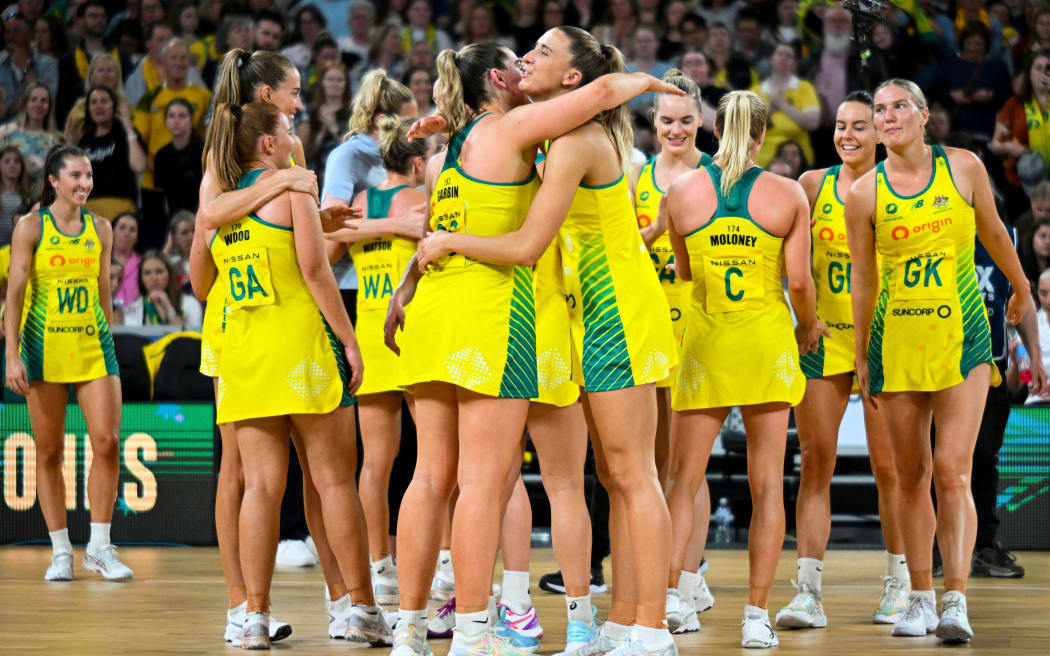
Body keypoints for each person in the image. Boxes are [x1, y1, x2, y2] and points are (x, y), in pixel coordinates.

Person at [410, 31, 682, 656]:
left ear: (570, 80)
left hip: (614, 307)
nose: (526, 59)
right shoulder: (551, 134)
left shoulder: (577, 140)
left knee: (633, 474)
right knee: (610, 478)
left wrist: (448, 243)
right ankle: (620, 620)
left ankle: (654, 626)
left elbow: (528, 245)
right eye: (523, 52)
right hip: (577, 313)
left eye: (541, 52)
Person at [189, 47, 371, 647]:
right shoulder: (282, 179)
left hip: (241, 343)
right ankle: (356, 607)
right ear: (268, 124)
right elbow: (318, 275)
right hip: (297, 341)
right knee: (333, 481)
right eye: (293, 103)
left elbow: (200, 272)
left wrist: (319, 216)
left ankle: (252, 613)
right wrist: (350, 343)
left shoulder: (224, 174)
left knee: (255, 485)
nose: (300, 112)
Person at [844, 78, 1035, 644]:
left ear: (924, 114)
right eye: (879, 110)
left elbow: (994, 232)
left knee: (953, 470)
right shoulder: (864, 195)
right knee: (911, 477)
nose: (887, 116)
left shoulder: (966, 167)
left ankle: (956, 600)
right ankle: (918, 598)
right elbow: (863, 281)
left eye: (899, 105)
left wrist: (1021, 288)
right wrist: (859, 355)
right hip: (896, 340)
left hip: (964, 337)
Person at [661, 90, 824, 649]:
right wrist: (810, 326)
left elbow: (684, 274)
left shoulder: (680, 192)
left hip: (706, 345)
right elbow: (799, 283)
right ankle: (756, 616)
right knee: (766, 487)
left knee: (682, 480)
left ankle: (673, 603)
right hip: (766, 344)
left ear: (711, 129)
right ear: (761, 133)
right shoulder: (787, 192)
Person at [774, 91, 909, 631]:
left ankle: (902, 582)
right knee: (816, 461)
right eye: (840, 125)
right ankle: (807, 591)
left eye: (860, 125)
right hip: (823, 339)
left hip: (881, 340)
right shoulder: (812, 185)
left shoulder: (896, 188)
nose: (848, 134)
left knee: (891, 469)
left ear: (880, 134)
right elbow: (791, 268)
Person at [4, 144, 132, 582]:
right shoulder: (29, 228)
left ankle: (99, 546)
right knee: (49, 451)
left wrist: (108, 338)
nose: (85, 183)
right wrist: (12, 354)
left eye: (89, 175)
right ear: (54, 181)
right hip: (43, 350)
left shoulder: (101, 227)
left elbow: (102, 291)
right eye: (76, 176)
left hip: (94, 347)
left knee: (108, 441)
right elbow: (15, 296)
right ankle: (60, 550)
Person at [324, 115, 426, 609]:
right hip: (413, 334)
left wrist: (371, 230)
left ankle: (379, 565)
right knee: (433, 463)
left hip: (367, 333)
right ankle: (440, 563)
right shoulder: (423, 202)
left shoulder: (358, 205)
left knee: (376, 464)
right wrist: (397, 228)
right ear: (419, 162)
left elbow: (320, 253)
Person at [630, 68, 715, 636]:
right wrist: (658, 231)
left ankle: (684, 581)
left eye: (686, 120)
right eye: (666, 121)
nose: (676, 129)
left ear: (701, 121)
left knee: (689, 462)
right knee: (653, 461)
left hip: (700, 320)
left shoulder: (716, 174)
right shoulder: (633, 174)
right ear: (653, 123)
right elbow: (627, 251)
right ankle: (663, 574)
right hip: (645, 319)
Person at [990, 51, 1050, 217]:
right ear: (1029, 73)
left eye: (1048, 68)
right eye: (1038, 68)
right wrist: (1008, 146)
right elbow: (995, 144)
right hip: (1022, 182)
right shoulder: (1014, 104)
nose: (1043, 73)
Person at [78, 85, 146, 220]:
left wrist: (128, 127)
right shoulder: (84, 141)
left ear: (114, 106)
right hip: (89, 208)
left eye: (104, 101)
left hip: (122, 208)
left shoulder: (125, 134)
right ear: (88, 109)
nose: (98, 106)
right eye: (94, 102)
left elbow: (139, 166)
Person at [751, 42, 820, 167]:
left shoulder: (805, 88)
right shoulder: (755, 91)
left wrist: (782, 104)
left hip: (799, 160)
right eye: (780, 54)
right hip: (763, 160)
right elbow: (747, 128)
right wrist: (768, 110)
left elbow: (813, 123)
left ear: (795, 63)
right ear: (771, 59)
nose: (783, 58)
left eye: (789, 56)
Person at [0, 83, 62, 198]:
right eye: (33, 100)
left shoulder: (54, 141)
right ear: (25, 104)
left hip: (37, 201)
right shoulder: (6, 132)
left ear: (49, 106)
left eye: (43, 101)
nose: (38, 104)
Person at [120, 249, 201, 328]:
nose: (154, 278)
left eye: (159, 271)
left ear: (169, 274)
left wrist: (168, 307)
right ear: (141, 278)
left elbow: (191, 337)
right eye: (147, 273)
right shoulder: (133, 308)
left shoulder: (190, 303)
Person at [0, 12, 58, 122]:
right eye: (8, 32)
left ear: (30, 35)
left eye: (17, 31)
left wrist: (25, 67)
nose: (11, 37)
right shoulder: (1, 63)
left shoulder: (47, 64)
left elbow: (49, 102)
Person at [63, 53, 133, 144]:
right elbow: (67, 141)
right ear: (91, 77)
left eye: (110, 70)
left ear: (117, 78)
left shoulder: (127, 108)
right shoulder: (79, 109)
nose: (105, 74)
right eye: (100, 70)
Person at [153, 98, 204, 215]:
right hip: (174, 218)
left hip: (201, 215)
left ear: (191, 119)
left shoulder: (204, 151)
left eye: (182, 115)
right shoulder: (161, 155)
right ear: (165, 120)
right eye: (171, 116)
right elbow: (164, 196)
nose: (176, 120)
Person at [299, 61, 351, 174]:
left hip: (344, 173)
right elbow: (306, 155)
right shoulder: (312, 112)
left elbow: (353, 150)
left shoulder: (353, 114)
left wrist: (333, 128)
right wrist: (322, 134)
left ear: (346, 84)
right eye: (330, 79)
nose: (335, 84)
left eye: (340, 80)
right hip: (317, 175)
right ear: (323, 82)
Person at [0, 146, 32, 246]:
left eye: (17, 161)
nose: (12, 165)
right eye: (7, 161)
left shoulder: (27, 195)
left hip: (16, 248)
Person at [110, 211, 140, 308]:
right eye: (122, 228)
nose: (127, 233)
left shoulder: (143, 264)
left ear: (137, 237)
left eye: (132, 230)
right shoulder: (98, 261)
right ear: (112, 231)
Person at [162, 210, 194, 288]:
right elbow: (156, 266)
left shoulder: (210, 257)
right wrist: (168, 246)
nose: (191, 236)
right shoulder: (172, 262)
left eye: (194, 230)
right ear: (174, 239)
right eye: (184, 233)